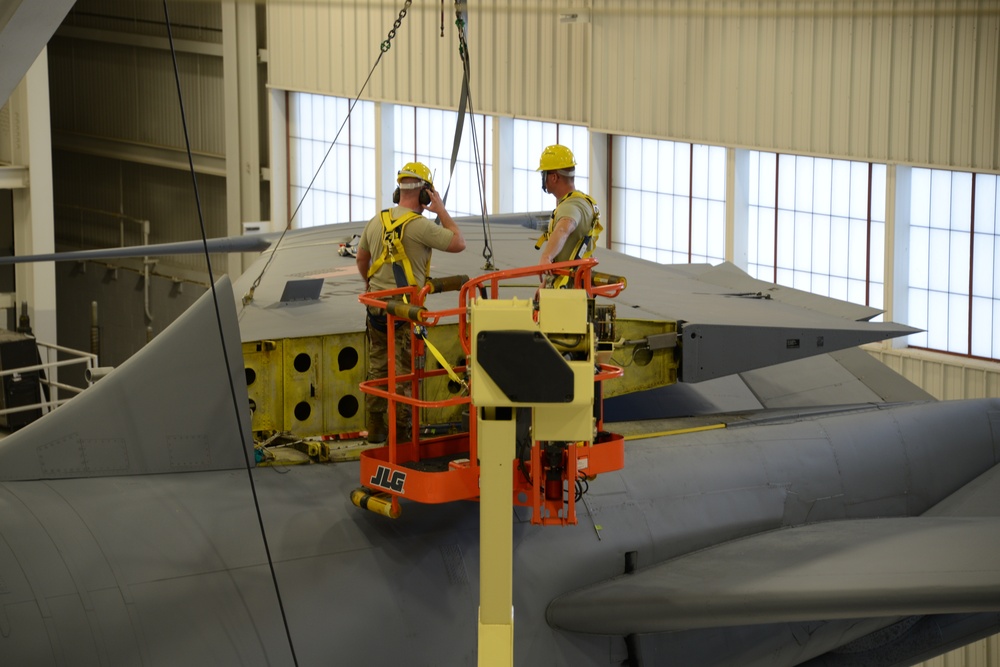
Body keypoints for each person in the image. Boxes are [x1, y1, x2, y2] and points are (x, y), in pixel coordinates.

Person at [355, 162, 466, 444]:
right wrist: (440, 211)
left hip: (377, 309)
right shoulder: (422, 226)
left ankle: (377, 428)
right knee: (404, 374)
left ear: (398, 190)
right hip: (405, 311)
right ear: (426, 194)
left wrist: (370, 284)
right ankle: (402, 436)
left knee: (378, 367)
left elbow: (361, 259)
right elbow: (458, 242)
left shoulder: (376, 221)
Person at [535, 145, 602, 286]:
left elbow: (563, 229)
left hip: (567, 291)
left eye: (544, 174)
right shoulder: (580, 201)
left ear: (553, 177)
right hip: (568, 286)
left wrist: (546, 257)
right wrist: (547, 284)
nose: (543, 178)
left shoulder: (571, 206)